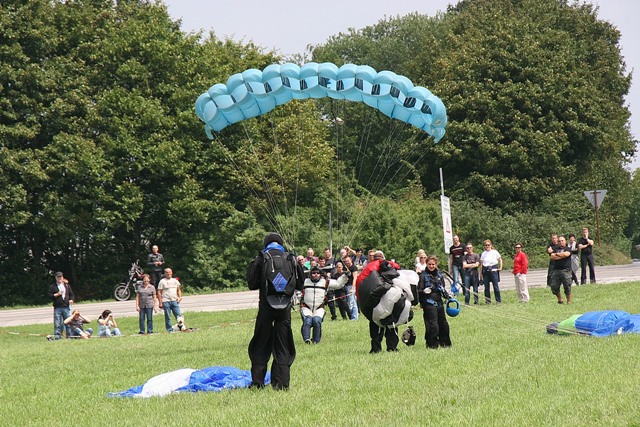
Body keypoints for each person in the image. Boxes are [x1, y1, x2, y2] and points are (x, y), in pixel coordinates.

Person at [247, 232, 304, 390]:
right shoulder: (290, 258)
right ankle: (281, 384)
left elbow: (252, 284)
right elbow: (300, 285)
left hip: (266, 307)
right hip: (284, 308)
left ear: (266, 244)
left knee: (260, 343)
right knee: (283, 345)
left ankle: (257, 383)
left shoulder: (261, 258)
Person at [356, 250, 402, 353]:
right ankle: (390, 347)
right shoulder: (383, 265)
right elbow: (398, 268)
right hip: (383, 299)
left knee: (378, 323)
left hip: (376, 301)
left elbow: (360, 286)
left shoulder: (368, 268)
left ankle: (377, 348)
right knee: (389, 323)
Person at [300, 265, 349, 343]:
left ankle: (316, 341)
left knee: (316, 321)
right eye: (314, 273)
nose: (316, 275)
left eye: (318, 273)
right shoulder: (305, 282)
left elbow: (338, 284)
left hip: (319, 307)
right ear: (310, 274)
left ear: (320, 274)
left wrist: (345, 276)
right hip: (306, 307)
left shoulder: (325, 282)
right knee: (307, 321)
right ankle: (306, 339)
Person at [416, 255, 452, 349]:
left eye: (433, 264)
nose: (431, 266)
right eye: (429, 264)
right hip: (428, 302)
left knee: (443, 323)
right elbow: (418, 291)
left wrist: (448, 296)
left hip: (439, 302)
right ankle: (432, 345)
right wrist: (424, 291)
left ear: (436, 264)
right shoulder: (422, 276)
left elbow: (442, 288)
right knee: (433, 324)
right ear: (426, 264)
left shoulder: (439, 275)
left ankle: (445, 343)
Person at [47, 272, 75, 340]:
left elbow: (71, 294)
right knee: (57, 323)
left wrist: (71, 299)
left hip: (66, 307)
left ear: (62, 277)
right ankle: (57, 336)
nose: (59, 278)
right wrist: (56, 294)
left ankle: (69, 336)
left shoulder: (67, 285)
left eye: (60, 277)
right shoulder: (53, 286)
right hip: (58, 307)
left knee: (68, 322)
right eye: (58, 277)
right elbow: (49, 296)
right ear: (55, 278)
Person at [157, 267, 183, 332]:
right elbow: (159, 292)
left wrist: (180, 297)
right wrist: (160, 302)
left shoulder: (175, 281)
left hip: (174, 300)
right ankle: (169, 329)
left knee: (179, 315)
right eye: (167, 272)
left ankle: (181, 327)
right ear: (165, 273)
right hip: (166, 301)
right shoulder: (162, 281)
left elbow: (178, 290)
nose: (168, 273)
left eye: (170, 272)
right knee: (168, 316)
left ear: (172, 273)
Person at [550, 235, 572, 304]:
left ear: (565, 241)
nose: (561, 242)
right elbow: (552, 257)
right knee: (554, 286)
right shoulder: (555, 249)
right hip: (556, 270)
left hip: (566, 270)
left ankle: (568, 301)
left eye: (562, 241)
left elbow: (566, 254)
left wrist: (557, 255)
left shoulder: (568, 248)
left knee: (567, 286)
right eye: (559, 241)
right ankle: (560, 299)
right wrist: (561, 255)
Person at [480, 240, 502, 304]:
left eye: (488, 245)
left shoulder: (495, 252)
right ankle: (488, 301)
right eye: (486, 245)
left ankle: (498, 301)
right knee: (486, 287)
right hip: (486, 271)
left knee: (496, 287)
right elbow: (482, 264)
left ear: (491, 245)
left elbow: (500, 260)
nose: (487, 246)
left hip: (493, 271)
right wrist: (480, 273)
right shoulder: (483, 253)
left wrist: (500, 267)